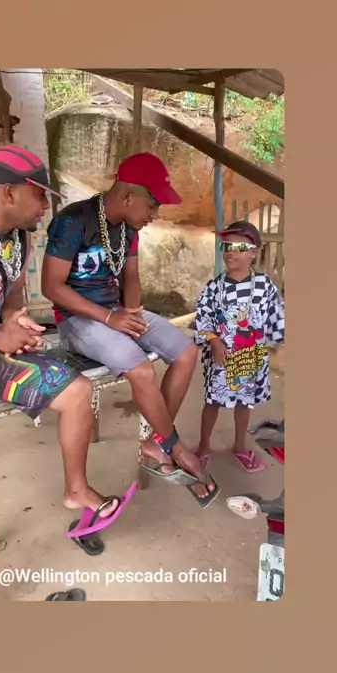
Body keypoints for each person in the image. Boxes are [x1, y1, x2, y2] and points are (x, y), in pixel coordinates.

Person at [41, 151, 218, 507]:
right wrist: (109, 320)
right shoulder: (73, 221)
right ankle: (175, 447)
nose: (156, 215)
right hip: (77, 320)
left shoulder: (129, 229)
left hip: (116, 313)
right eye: (152, 205)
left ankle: (157, 441)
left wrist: (132, 315)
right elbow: (51, 286)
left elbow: (131, 277)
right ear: (127, 197)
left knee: (185, 352)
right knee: (141, 368)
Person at [0, 144, 123, 523]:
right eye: (40, 195)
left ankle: (76, 491)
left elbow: (13, 292)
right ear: (9, 192)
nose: (46, 206)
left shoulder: (19, 237)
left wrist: (13, 320)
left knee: (78, 391)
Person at [193, 220, 285, 472]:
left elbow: (277, 315)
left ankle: (240, 445)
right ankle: (203, 445)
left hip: (251, 359)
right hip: (220, 358)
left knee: (245, 402)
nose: (230, 252)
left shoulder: (265, 286)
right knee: (212, 401)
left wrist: (280, 343)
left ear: (253, 252)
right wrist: (213, 341)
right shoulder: (214, 288)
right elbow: (203, 317)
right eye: (226, 246)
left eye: (239, 247)